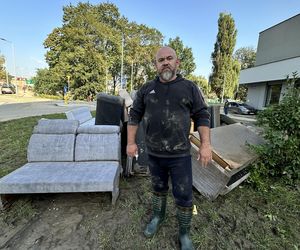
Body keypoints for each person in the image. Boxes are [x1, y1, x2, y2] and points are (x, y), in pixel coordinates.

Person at [127, 46, 212, 250]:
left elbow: (202, 115)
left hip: (180, 155)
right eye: (160, 60)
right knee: (158, 189)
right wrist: (130, 143)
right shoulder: (146, 89)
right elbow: (134, 116)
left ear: (177, 62)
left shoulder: (190, 88)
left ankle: (184, 234)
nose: (165, 62)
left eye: (169, 58)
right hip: (154, 154)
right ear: (155, 65)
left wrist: (206, 145)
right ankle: (158, 217)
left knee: (184, 195)